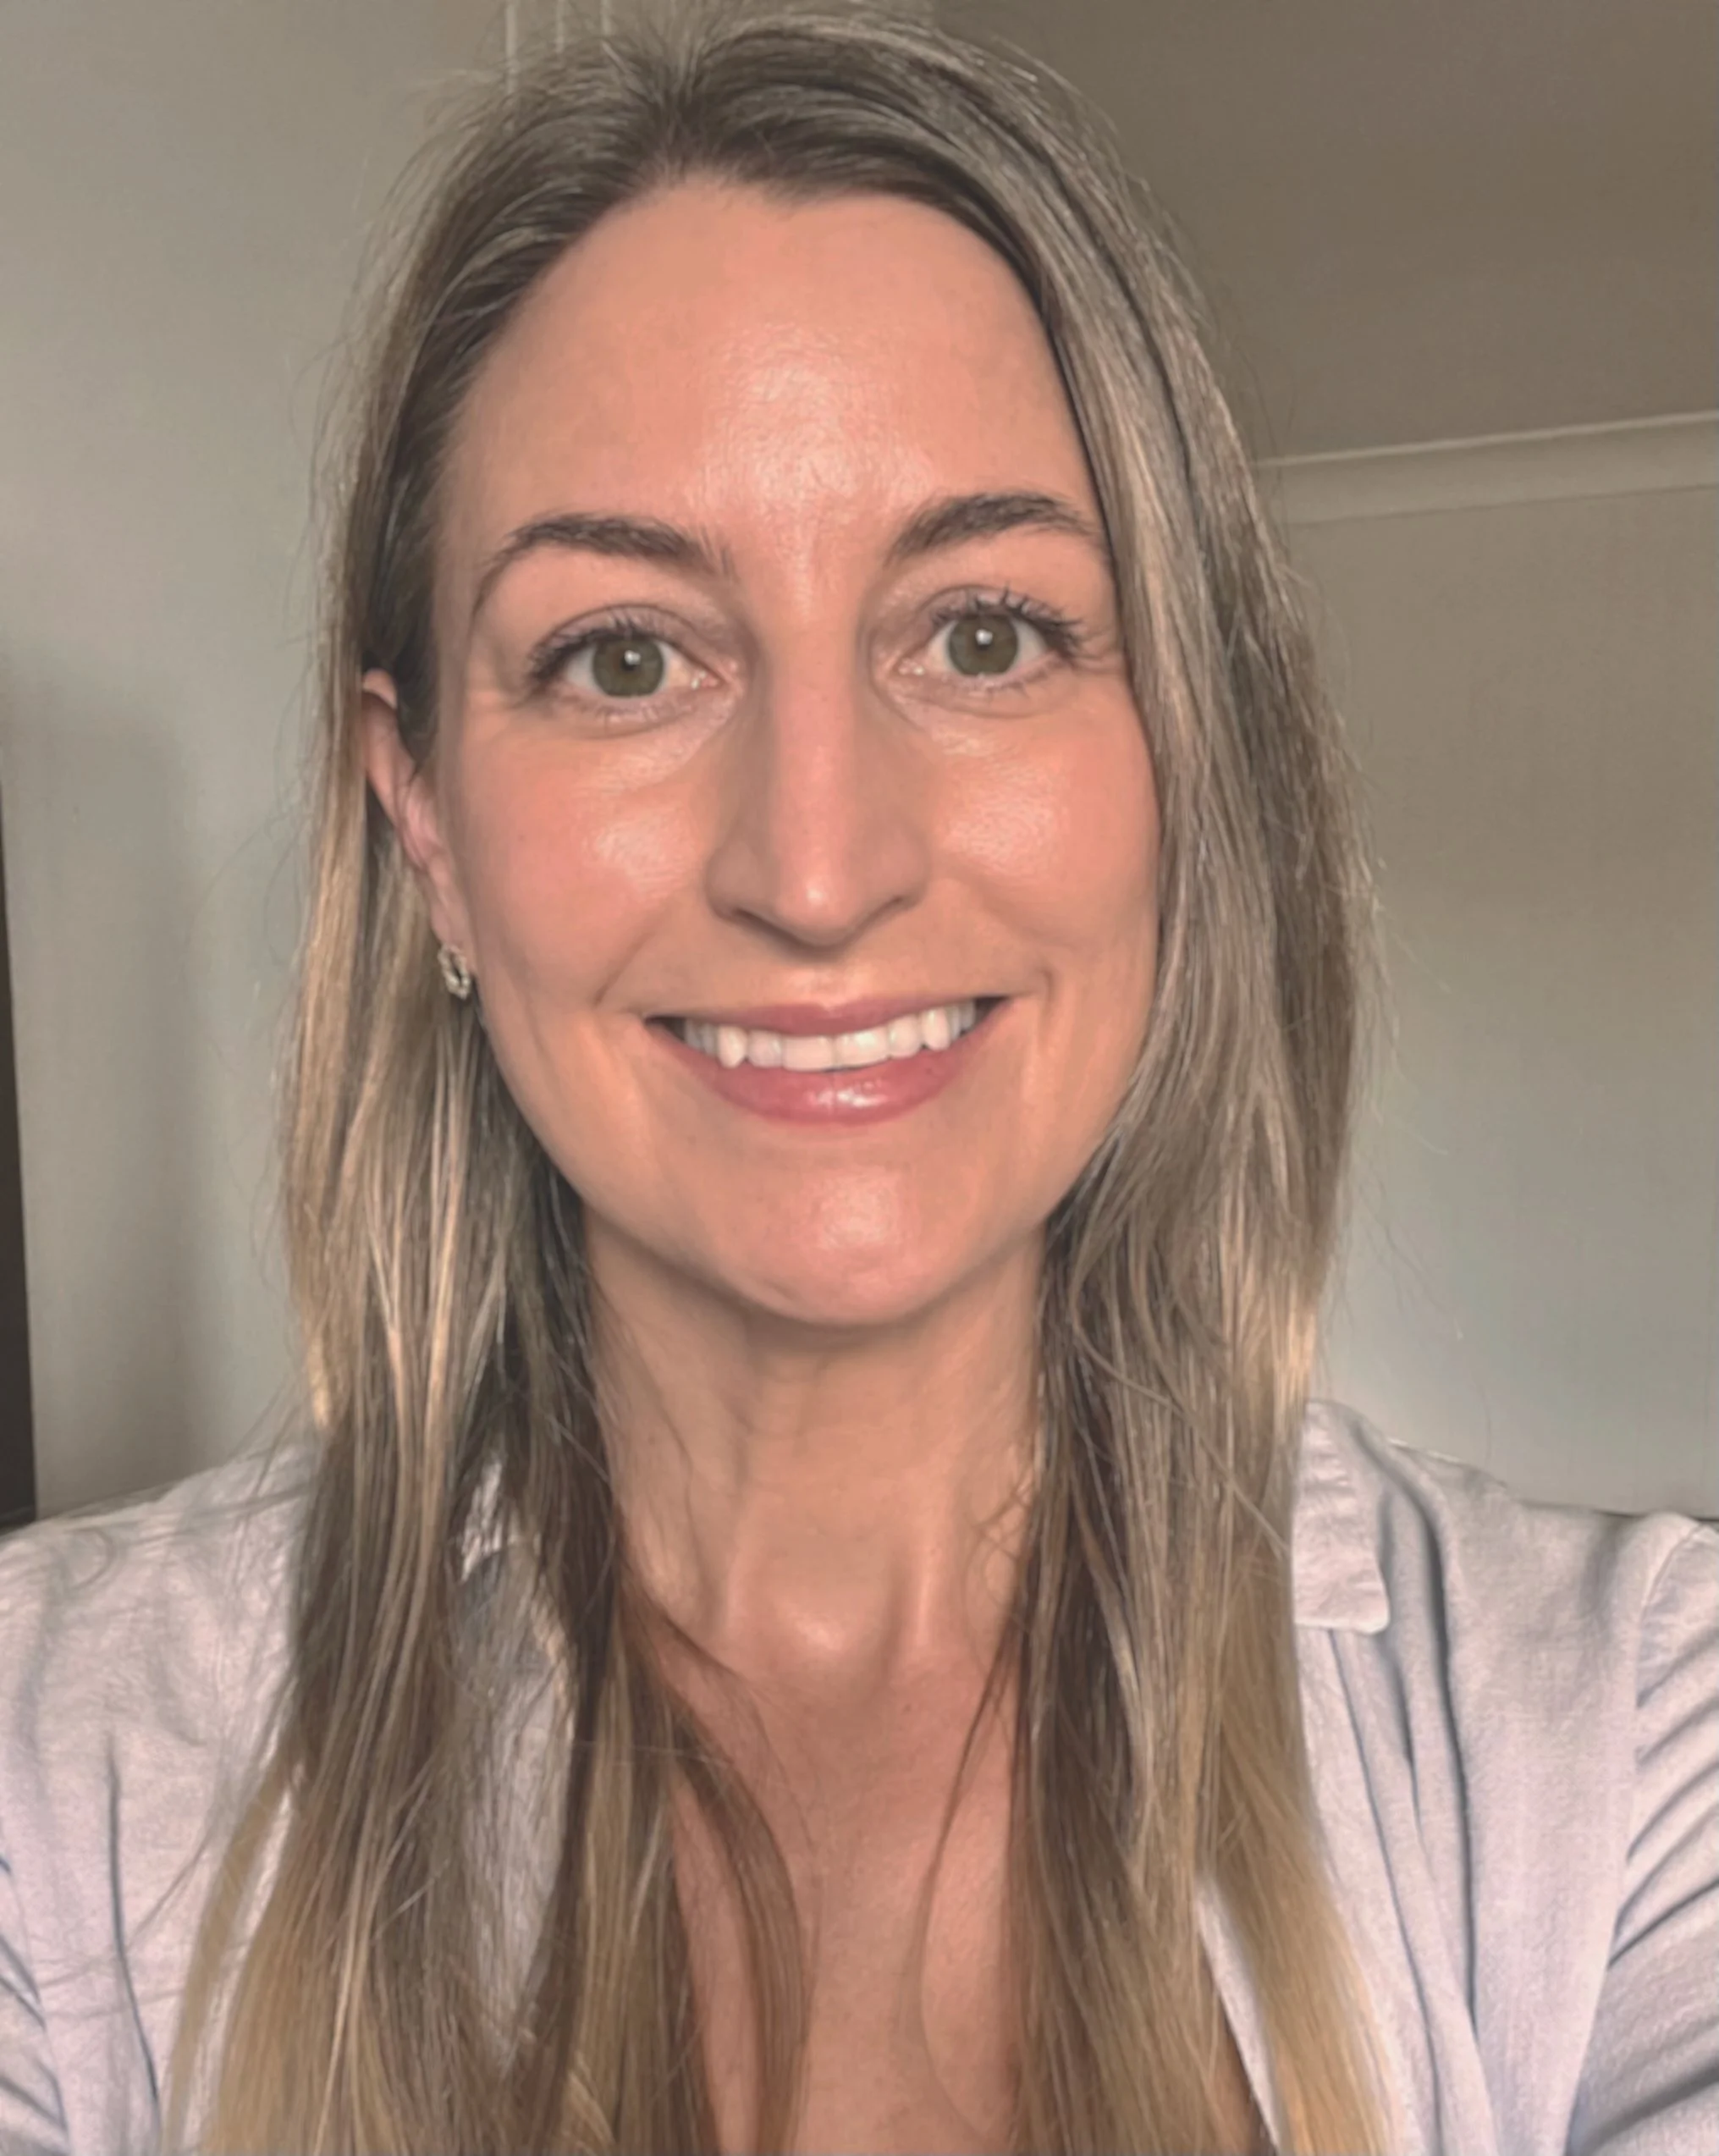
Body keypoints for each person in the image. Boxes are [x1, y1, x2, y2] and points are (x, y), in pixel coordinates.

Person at [1, 7, 1713, 2152]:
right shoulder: (41, 1765)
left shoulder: (1630, 1727)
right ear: (421, 819)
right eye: (625, 656)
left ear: (1189, 762)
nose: (818, 867)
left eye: (982, 634)